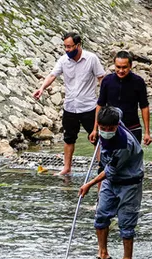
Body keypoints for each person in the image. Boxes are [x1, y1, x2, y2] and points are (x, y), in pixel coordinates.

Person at [79, 107, 144, 259]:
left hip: (129, 183)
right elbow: (117, 110)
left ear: (117, 126)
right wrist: (95, 130)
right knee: (101, 214)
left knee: (126, 221)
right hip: (111, 182)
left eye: (110, 129)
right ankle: (103, 253)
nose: (107, 131)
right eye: (103, 128)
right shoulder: (115, 118)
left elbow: (109, 170)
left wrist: (88, 184)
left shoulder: (124, 143)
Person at [33, 32, 105, 175]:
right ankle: (66, 168)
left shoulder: (91, 59)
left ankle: (101, 167)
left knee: (96, 139)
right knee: (69, 137)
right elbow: (53, 75)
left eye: (70, 47)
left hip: (89, 106)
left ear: (78, 45)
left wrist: (104, 99)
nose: (67, 50)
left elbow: (101, 78)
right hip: (70, 106)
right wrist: (41, 88)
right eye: (65, 46)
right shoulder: (63, 60)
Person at [91, 51, 151, 145]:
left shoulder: (138, 82)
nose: (121, 70)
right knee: (110, 157)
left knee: (132, 157)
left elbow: (144, 107)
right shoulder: (107, 81)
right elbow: (100, 105)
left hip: (133, 127)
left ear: (130, 66)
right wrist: (95, 129)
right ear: (114, 65)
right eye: (118, 67)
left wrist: (147, 132)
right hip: (110, 128)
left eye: (124, 67)